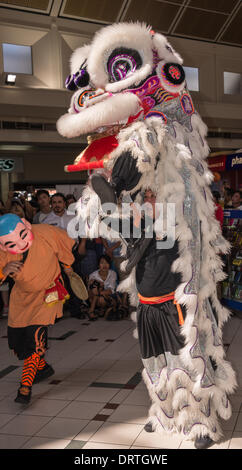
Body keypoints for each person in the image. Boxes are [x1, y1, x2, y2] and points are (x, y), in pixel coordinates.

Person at [0, 213, 75, 404]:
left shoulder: (45, 232)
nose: (21, 245)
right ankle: (41, 367)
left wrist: (68, 267)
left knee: (36, 337)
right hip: (21, 298)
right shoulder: (2, 252)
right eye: (11, 244)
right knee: (18, 344)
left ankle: (25, 388)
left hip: (48, 291)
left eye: (23, 237)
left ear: (26, 226)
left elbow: (64, 245)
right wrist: (4, 270)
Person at [88, 254, 117, 320]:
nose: (104, 265)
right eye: (102, 263)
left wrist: (99, 291)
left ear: (109, 264)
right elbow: (90, 293)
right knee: (95, 284)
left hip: (106, 298)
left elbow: (111, 291)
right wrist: (97, 286)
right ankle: (93, 310)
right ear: (98, 265)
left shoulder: (113, 274)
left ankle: (94, 310)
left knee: (101, 297)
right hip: (93, 299)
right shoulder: (93, 275)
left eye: (107, 263)